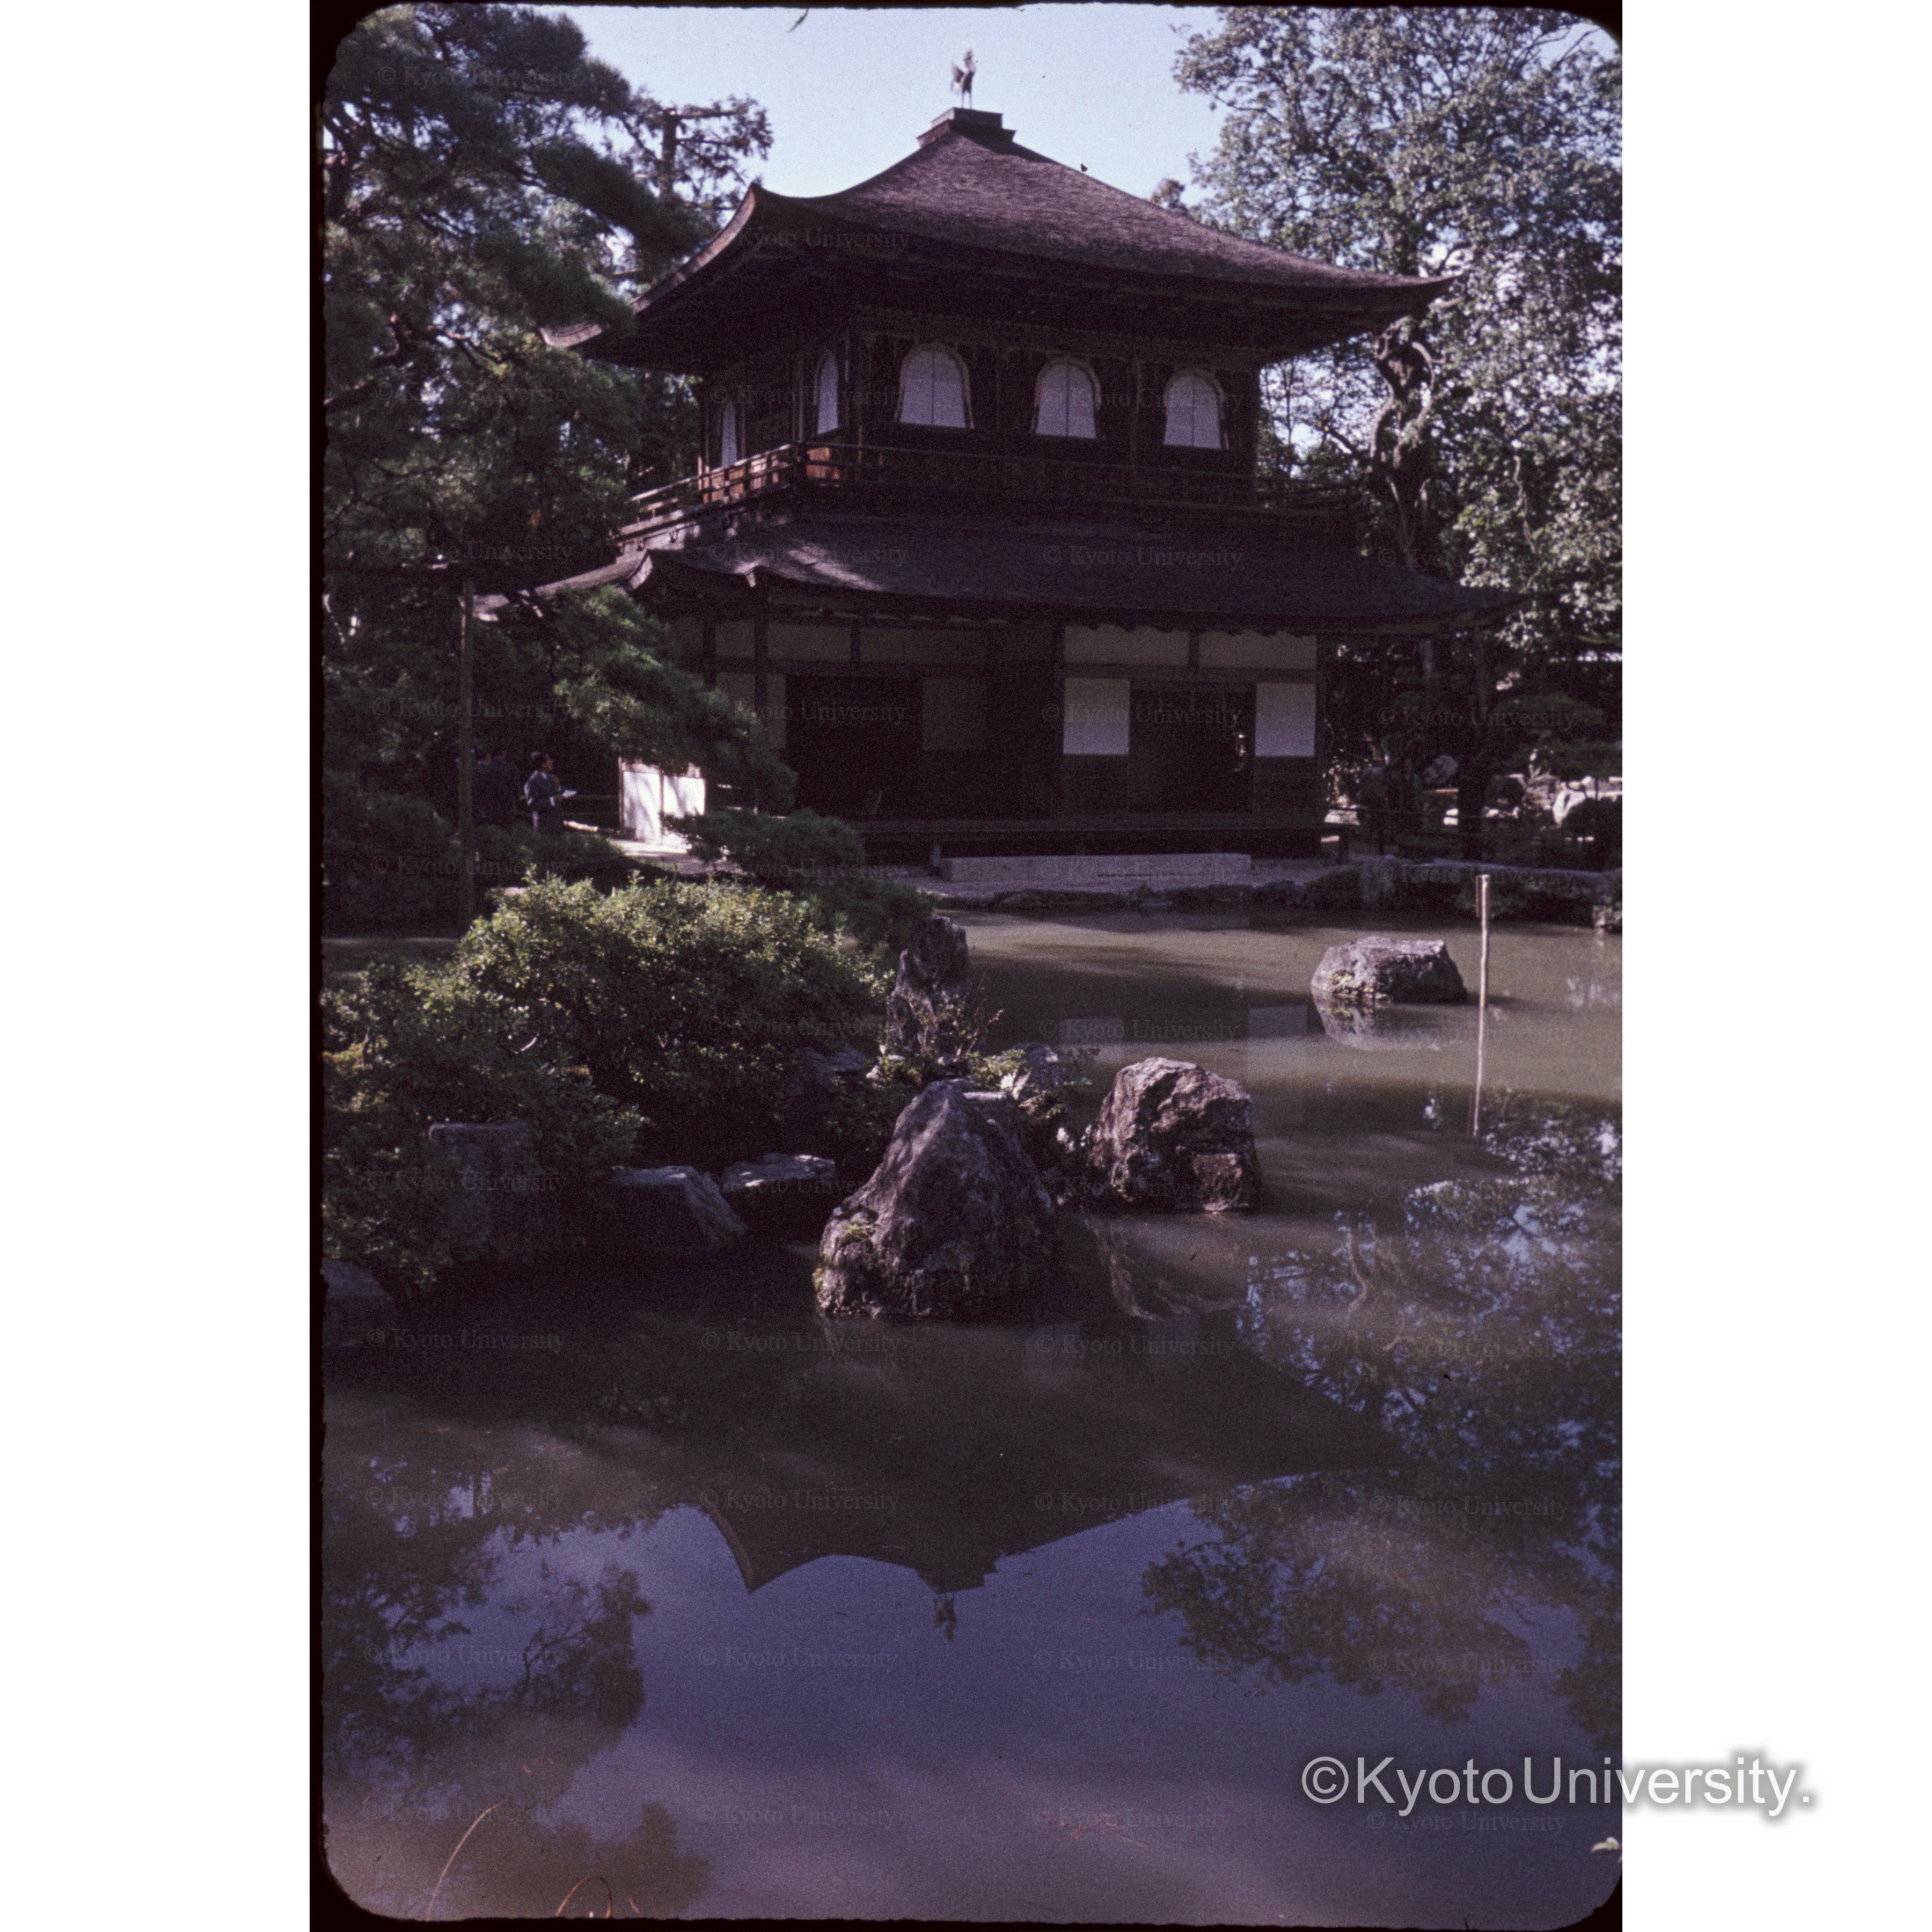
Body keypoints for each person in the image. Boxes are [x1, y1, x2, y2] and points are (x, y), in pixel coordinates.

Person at [523, 752, 566, 836]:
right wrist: (553, 801)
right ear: (542, 764)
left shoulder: (551, 778)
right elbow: (533, 803)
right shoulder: (533, 781)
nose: (551, 762)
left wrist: (557, 786)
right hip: (544, 826)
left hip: (557, 824)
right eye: (549, 760)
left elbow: (559, 795)